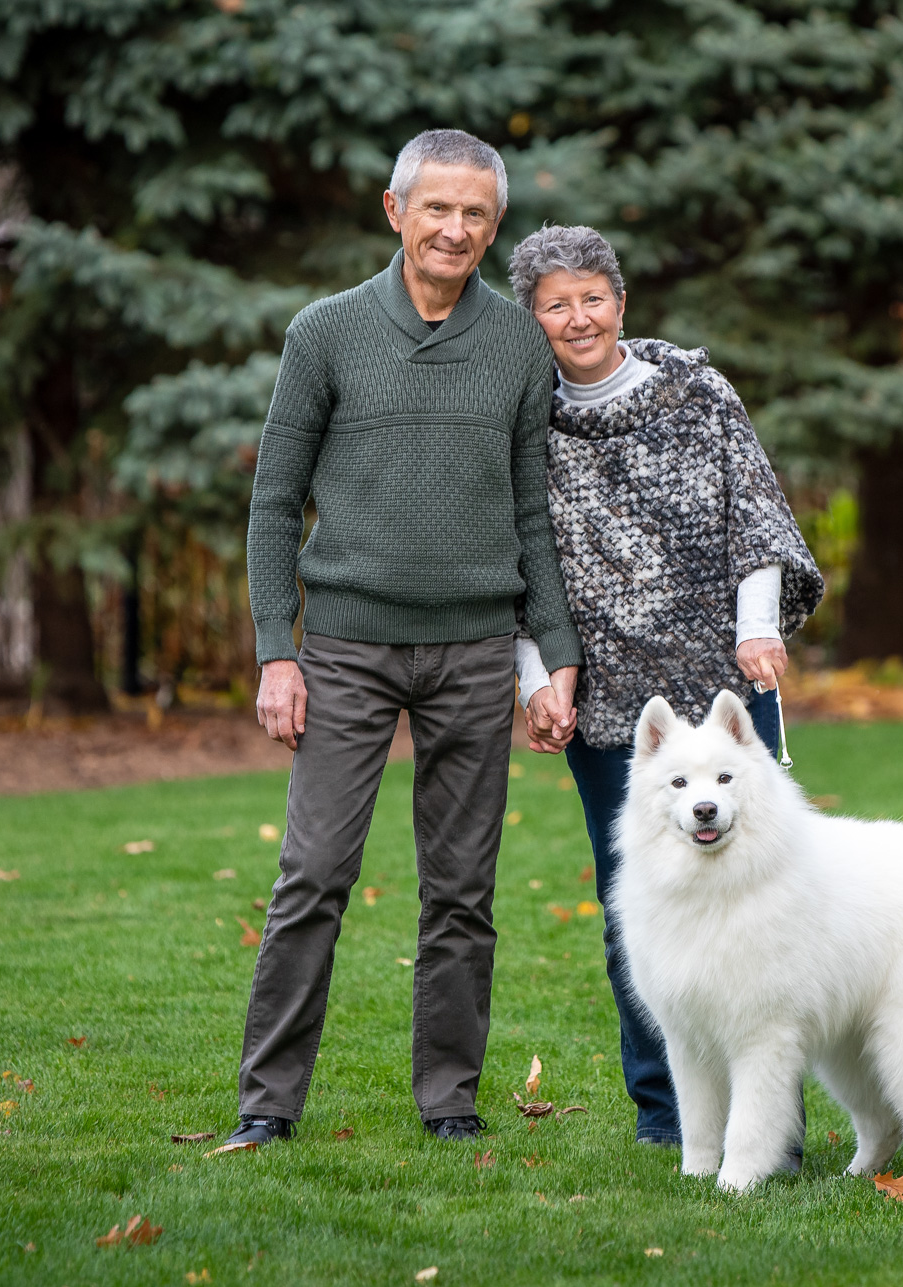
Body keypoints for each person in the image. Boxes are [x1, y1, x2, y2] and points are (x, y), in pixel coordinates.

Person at [225, 131, 583, 1149]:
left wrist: (550, 655)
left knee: (462, 894)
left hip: (474, 653)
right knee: (313, 878)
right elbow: (273, 503)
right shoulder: (326, 332)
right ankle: (267, 1104)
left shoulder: (518, 343)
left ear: (493, 224)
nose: (455, 229)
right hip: (344, 648)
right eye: (437, 208)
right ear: (395, 211)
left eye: (475, 213)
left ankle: (449, 1102)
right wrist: (274, 650)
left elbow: (531, 516)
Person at [504, 225, 824, 1152]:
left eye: (592, 297)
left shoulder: (696, 393)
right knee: (637, 903)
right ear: (535, 320)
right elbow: (525, 568)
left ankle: (771, 1126)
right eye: (556, 304)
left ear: (622, 301)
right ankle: (666, 1115)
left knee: (766, 902)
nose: (578, 317)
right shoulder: (530, 426)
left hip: (722, 689)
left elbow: (754, 515)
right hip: (611, 708)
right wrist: (536, 680)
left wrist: (758, 626)